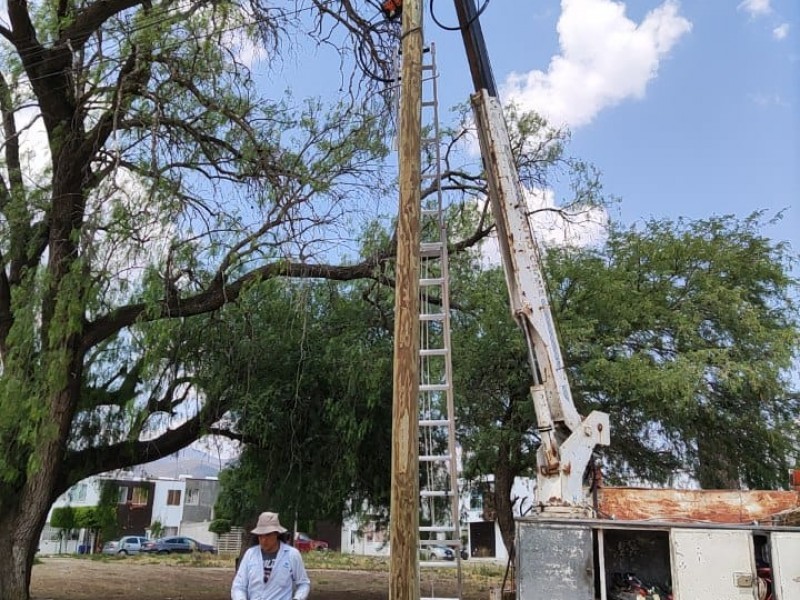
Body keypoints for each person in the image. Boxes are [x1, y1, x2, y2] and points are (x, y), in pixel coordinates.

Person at [232, 512, 311, 600]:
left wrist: (298, 598)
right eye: (260, 536)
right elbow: (239, 586)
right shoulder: (250, 554)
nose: (264, 540)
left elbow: (303, 583)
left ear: (277, 534)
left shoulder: (292, 555)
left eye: (268, 535)